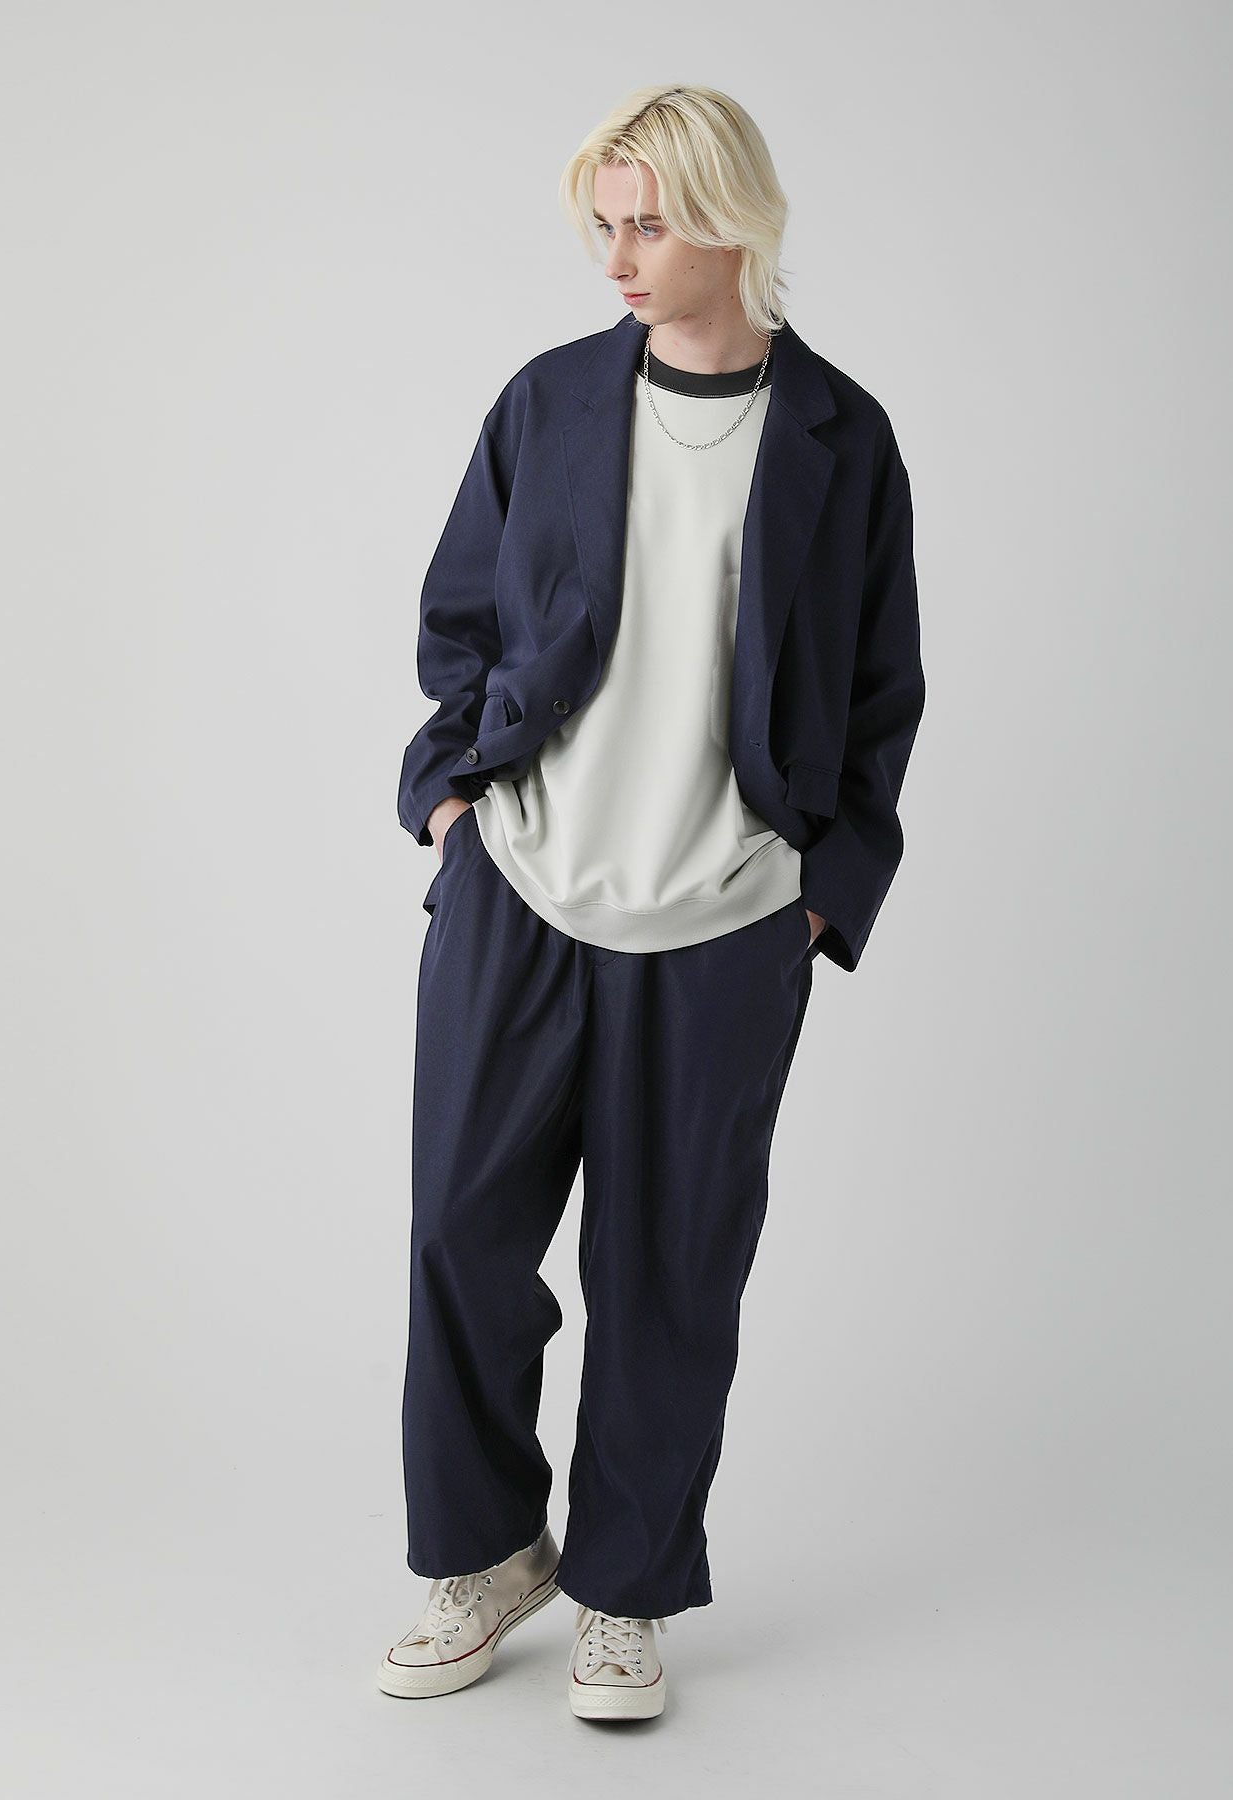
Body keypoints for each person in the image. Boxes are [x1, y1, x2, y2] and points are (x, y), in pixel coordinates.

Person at [377, 83, 925, 1723]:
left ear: (734, 223)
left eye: (651, 222)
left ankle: (624, 1591)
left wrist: (816, 901)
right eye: (604, 223)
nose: (618, 254)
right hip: (523, 892)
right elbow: (461, 619)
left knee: (669, 1271)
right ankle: (486, 1556)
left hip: (724, 926)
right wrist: (452, 806)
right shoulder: (547, 403)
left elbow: (881, 697)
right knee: (463, 1236)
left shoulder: (841, 438)